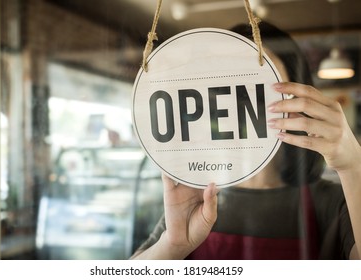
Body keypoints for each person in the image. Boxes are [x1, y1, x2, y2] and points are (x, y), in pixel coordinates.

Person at [130, 21, 361, 260]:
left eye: (257, 86)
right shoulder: (195, 197)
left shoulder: (337, 202)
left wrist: (355, 166)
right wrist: (173, 246)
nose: (237, 104)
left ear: (298, 100)